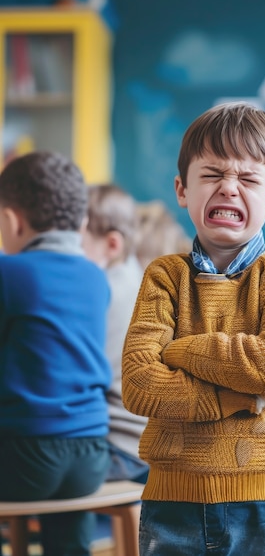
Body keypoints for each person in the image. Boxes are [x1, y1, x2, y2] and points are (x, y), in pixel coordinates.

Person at [122, 102, 265, 556]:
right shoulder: (164, 275)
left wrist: (181, 350)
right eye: (212, 175)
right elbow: (140, 386)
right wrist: (237, 396)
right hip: (171, 496)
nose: (228, 188)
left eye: (247, 179)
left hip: (264, 497)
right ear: (183, 189)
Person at [0, 151, 111, 556]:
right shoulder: (96, 278)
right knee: (65, 524)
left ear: (13, 221)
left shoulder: (9, 272)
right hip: (91, 457)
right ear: (81, 224)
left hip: (23, 457)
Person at [82, 183, 149, 483]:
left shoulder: (103, 289)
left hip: (116, 447)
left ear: (112, 245)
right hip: (140, 446)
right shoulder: (134, 275)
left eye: (75, 244)